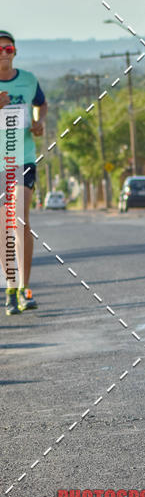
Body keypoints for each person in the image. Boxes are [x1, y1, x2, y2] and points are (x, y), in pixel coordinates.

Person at [0, 30, 47, 315]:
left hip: (23, 158)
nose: (4, 53)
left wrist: (39, 123)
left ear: (15, 52)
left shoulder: (28, 80)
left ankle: (24, 289)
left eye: (8, 49)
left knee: (19, 220)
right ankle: (10, 286)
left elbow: (41, 104)